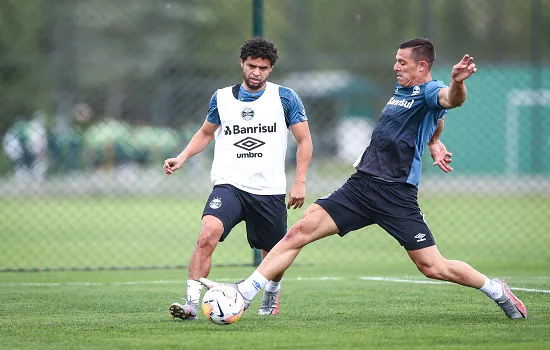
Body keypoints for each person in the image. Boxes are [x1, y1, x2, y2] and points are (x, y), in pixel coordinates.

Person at [200, 38, 528, 320]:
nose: (396, 67)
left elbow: (450, 101)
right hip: (360, 186)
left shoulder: (430, 90)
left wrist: (457, 82)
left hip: (395, 195)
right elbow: (435, 121)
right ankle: (245, 293)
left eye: (402, 62)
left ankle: (495, 288)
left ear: (422, 66)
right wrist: (433, 141)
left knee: (432, 267)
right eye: (396, 61)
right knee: (298, 232)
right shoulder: (403, 90)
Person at [163, 37, 313, 320]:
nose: (257, 72)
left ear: (271, 69)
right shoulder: (221, 97)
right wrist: (182, 157)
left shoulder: (285, 97)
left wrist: (299, 181)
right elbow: (206, 133)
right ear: (242, 64)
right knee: (207, 234)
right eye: (252, 66)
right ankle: (191, 304)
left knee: (275, 255)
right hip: (229, 184)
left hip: (268, 190)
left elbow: (304, 141)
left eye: (263, 68)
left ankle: (271, 291)